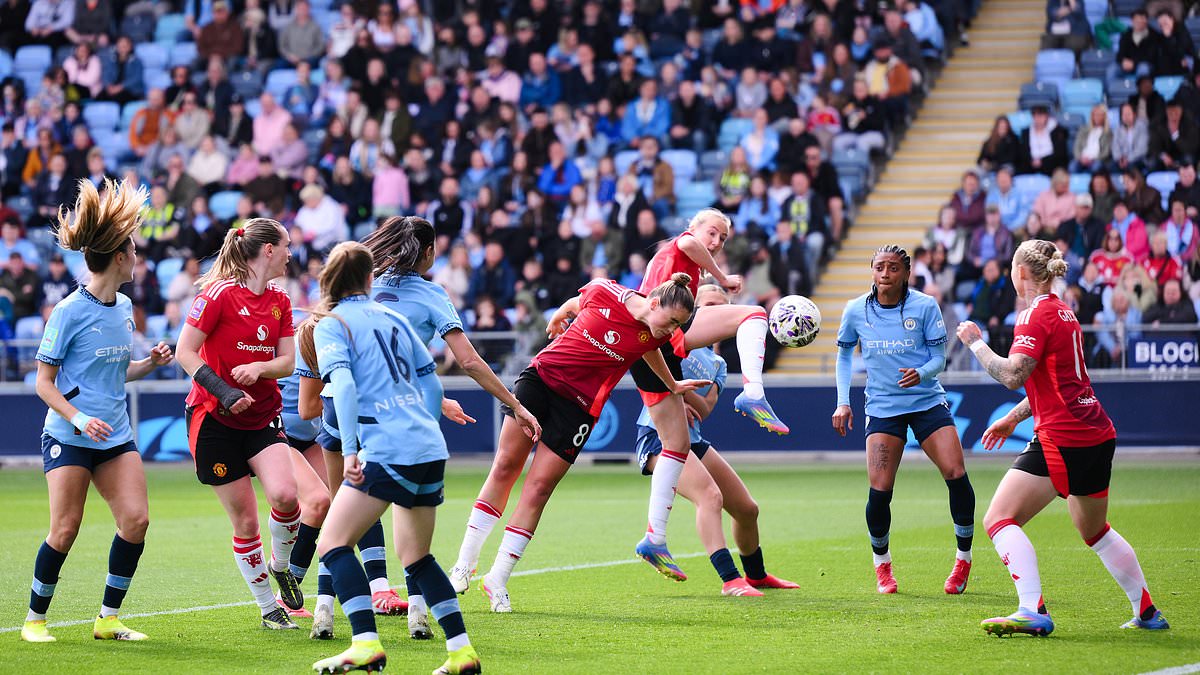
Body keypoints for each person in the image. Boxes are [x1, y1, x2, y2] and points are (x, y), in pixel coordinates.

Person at [448, 275, 704, 612]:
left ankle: (498, 578)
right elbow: (576, 302)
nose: (673, 331)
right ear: (654, 303)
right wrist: (558, 315)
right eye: (672, 321)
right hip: (540, 381)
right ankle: (463, 565)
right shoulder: (605, 291)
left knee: (538, 489)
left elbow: (649, 350)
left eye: (679, 326)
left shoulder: (651, 335)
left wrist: (671, 384)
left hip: (580, 409)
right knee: (505, 467)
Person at [956, 239, 1169, 636]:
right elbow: (1057, 384)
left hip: (1063, 435)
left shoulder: (1033, 314)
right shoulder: (1065, 312)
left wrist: (974, 342)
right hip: (1096, 431)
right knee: (1095, 531)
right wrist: (1012, 419)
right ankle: (1147, 612)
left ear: (1021, 273)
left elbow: (1012, 375)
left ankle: (1031, 608)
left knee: (999, 519)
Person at [297, 241, 480, 675]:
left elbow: (341, 386)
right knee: (416, 557)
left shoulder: (331, 324)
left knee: (333, 543)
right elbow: (433, 386)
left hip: (384, 447)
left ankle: (364, 643)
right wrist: (425, 426)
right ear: (369, 278)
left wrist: (351, 449)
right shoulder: (395, 317)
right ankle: (461, 652)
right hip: (428, 447)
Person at [362, 216, 541, 635]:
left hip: (349, 409)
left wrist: (439, 398)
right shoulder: (432, 294)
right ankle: (420, 617)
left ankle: (329, 605)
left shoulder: (364, 284)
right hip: (403, 417)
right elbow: (469, 360)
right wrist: (513, 403)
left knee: (343, 513)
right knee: (410, 518)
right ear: (428, 252)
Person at [20, 180, 174, 644]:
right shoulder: (67, 311)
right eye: (133, 251)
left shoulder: (125, 306)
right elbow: (43, 384)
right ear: (120, 259)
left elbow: (114, 373)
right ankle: (34, 620)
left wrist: (150, 363)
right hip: (68, 435)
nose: (137, 259)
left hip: (115, 435)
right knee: (64, 530)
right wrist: (79, 418)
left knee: (136, 521)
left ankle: (108, 617)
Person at [630, 209, 790, 583]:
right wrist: (722, 276)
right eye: (712, 233)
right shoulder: (682, 249)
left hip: (689, 433)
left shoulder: (716, 363)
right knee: (753, 315)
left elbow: (704, 410)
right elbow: (688, 242)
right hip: (655, 425)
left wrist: (683, 394)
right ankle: (730, 581)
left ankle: (751, 574)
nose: (716, 242)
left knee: (747, 509)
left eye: (722, 238)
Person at [174, 218, 305, 629]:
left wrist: (259, 367)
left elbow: (287, 362)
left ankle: (280, 564)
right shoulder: (217, 295)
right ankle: (269, 608)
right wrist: (225, 391)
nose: (290, 253)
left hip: (262, 416)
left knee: (286, 496)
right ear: (268, 250)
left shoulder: (281, 300)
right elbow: (185, 352)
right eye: (286, 246)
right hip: (214, 419)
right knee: (246, 522)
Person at [832, 245, 975, 595]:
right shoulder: (854, 311)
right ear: (871, 270)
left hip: (927, 402)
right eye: (879, 266)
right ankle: (883, 567)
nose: (885, 273)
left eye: (893, 268)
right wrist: (842, 403)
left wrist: (922, 373)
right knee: (880, 491)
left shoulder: (925, 306)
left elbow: (939, 359)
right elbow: (844, 358)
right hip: (882, 407)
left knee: (956, 474)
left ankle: (963, 559)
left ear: (906, 272)